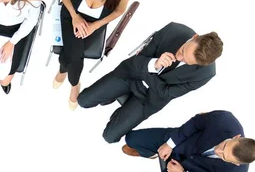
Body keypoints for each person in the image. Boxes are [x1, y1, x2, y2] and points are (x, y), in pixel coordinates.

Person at [77, 22, 223, 143]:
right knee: (83, 101)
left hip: (149, 99)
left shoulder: (206, 73)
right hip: (131, 75)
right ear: (194, 37)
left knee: (109, 137)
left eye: (186, 61)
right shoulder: (173, 30)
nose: (179, 58)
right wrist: (154, 64)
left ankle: (121, 112)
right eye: (183, 51)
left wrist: (148, 72)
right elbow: (137, 61)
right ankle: (112, 96)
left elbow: (167, 93)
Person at [113, 110, 255, 172]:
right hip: (179, 142)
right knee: (131, 138)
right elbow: (196, 122)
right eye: (225, 145)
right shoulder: (225, 120)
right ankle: (151, 153)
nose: (217, 150)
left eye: (223, 156)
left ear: (236, 164)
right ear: (237, 137)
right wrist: (170, 144)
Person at [54, 0, 130, 109]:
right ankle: (74, 84)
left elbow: (119, 11)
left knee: (72, 54)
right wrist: (74, 16)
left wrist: (95, 26)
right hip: (71, 16)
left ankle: (63, 69)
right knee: (75, 54)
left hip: (94, 25)